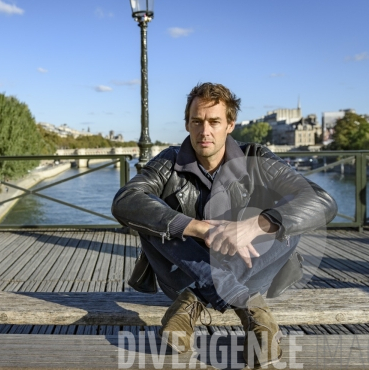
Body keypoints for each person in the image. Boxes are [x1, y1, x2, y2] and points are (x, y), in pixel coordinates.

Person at [111, 82, 337, 368]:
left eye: (214, 121)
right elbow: (125, 201)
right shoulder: (168, 161)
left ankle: (194, 300)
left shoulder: (257, 158)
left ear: (230, 124)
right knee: (153, 217)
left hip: (247, 272)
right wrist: (199, 228)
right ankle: (249, 306)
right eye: (197, 121)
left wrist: (256, 225)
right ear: (187, 124)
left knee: (286, 220)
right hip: (183, 276)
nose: (205, 131)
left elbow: (321, 200)